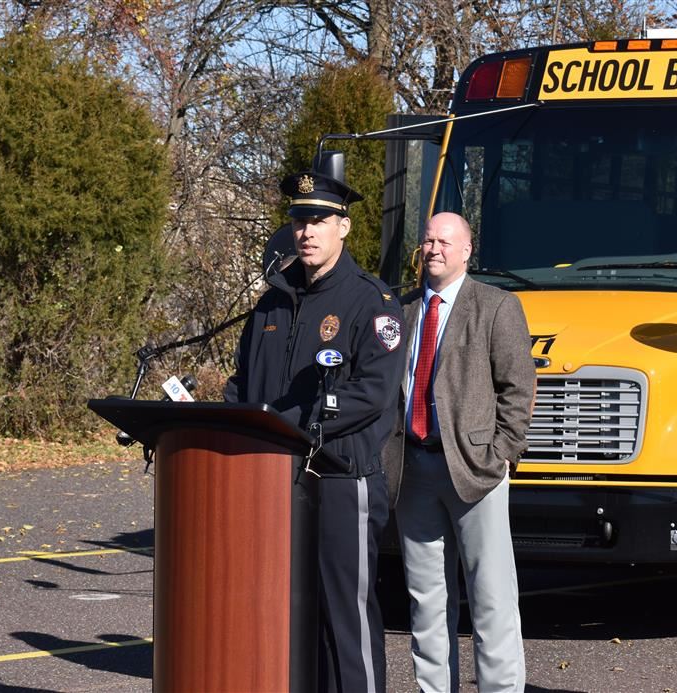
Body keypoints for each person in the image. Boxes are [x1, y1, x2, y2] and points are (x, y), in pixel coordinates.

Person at [224, 167, 405, 693]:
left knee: (344, 615)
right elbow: (244, 385)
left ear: (343, 227)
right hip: (272, 479)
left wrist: (293, 423)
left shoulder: (372, 301)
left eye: (319, 219)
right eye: (299, 219)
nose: (306, 231)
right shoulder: (272, 303)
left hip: (340, 479)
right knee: (283, 613)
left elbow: (371, 392)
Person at [382, 212, 535, 692]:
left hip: (475, 471)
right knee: (426, 600)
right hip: (412, 470)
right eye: (428, 241)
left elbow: (519, 388)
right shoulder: (401, 310)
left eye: (445, 241)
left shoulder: (496, 307)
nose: (434, 249)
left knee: (491, 597)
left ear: (467, 250)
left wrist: (502, 454)